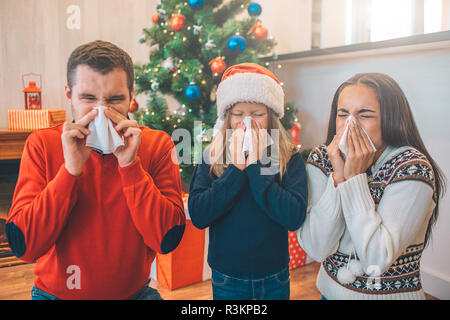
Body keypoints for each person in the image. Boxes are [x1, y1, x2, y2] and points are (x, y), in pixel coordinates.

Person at [6, 40, 186, 300]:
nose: (102, 111)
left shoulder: (156, 144)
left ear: (131, 96)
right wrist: (70, 171)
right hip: (56, 295)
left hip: (134, 294)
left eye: (115, 99)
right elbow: (24, 245)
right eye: (88, 98)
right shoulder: (42, 144)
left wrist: (130, 166)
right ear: (69, 95)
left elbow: (167, 239)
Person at [298, 73, 445, 300]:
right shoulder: (323, 159)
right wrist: (338, 177)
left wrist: (355, 178)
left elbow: (377, 260)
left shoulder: (411, 167)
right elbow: (317, 249)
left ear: (390, 119)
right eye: (342, 114)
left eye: (364, 115)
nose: (350, 124)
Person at [188, 63, 308, 300]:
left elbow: (294, 217)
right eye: (238, 114)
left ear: (271, 117)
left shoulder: (289, 158)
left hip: (274, 275)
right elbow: (199, 215)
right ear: (227, 118)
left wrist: (255, 168)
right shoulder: (212, 158)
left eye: (257, 114)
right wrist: (235, 170)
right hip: (226, 277)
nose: (247, 122)